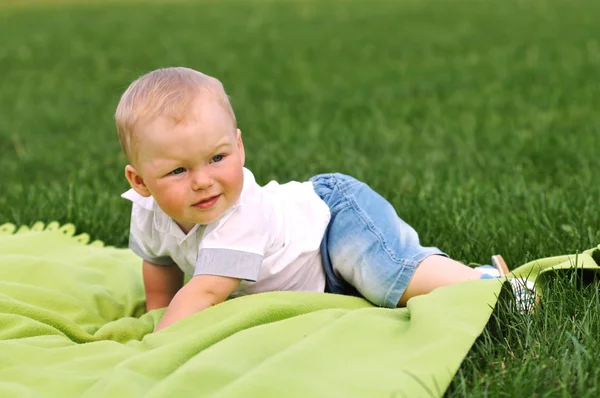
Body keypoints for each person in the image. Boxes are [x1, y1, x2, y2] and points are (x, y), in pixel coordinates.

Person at [115, 67, 534, 332]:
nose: (203, 181)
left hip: (333, 222)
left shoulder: (241, 214)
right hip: (319, 278)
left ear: (239, 148)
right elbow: (159, 264)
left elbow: (204, 293)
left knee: (393, 279)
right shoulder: (148, 212)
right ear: (141, 182)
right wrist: (158, 312)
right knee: (370, 294)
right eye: (178, 171)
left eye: (217, 158)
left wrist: (161, 345)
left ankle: (493, 287)